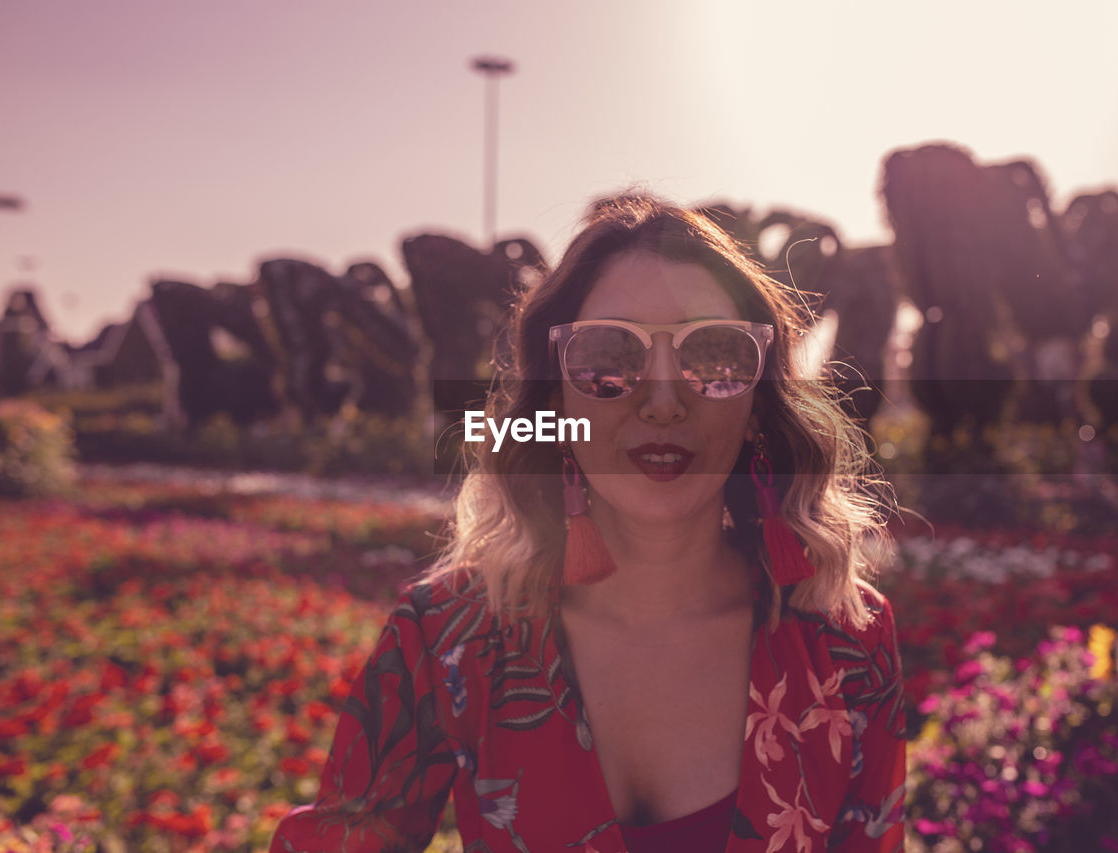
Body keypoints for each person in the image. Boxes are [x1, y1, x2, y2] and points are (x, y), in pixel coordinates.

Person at [270, 193, 906, 852]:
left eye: (714, 356)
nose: (663, 399)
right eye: (610, 357)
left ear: (756, 407)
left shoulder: (845, 641)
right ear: (557, 402)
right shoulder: (446, 638)